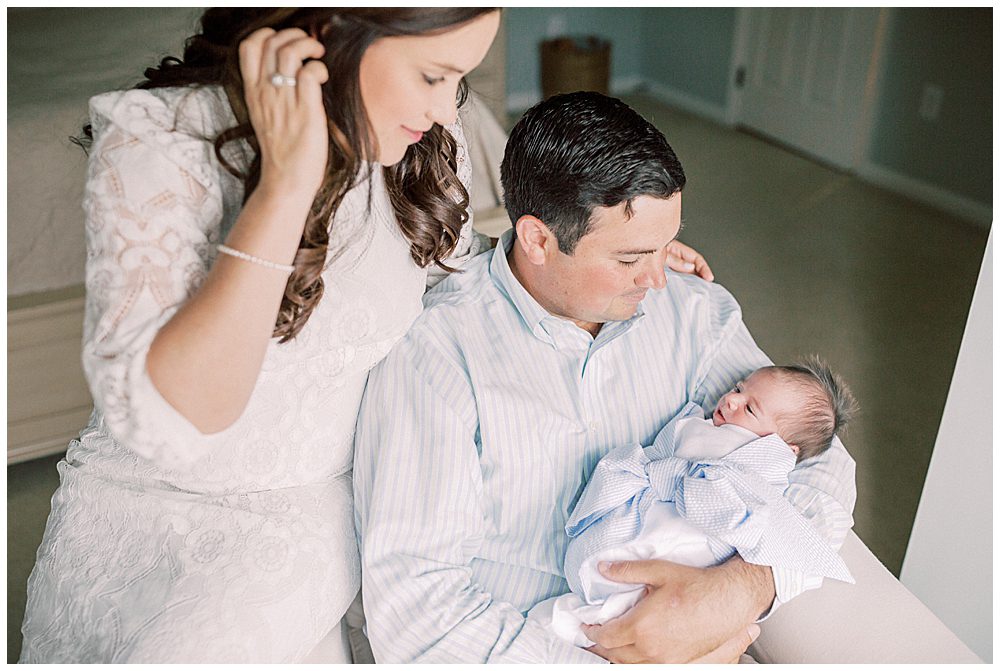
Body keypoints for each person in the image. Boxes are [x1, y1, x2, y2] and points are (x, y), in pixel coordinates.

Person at [18, 8, 504, 663]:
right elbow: (174, 427)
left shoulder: (422, 146)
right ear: (332, 37)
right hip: (158, 532)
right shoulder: (161, 140)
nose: (448, 111)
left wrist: (593, 254)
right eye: (432, 75)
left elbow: (458, 278)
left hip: (325, 524)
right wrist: (284, 187)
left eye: (460, 80)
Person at [353, 92, 857, 663]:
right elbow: (417, 612)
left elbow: (820, 456)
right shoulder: (438, 356)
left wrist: (738, 592)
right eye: (631, 257)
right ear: (538, 239)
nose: (660, 277)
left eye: (666, 245)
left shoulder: (696, 314)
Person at [529, 359, 859, 648]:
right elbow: (661, 455)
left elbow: (752, 515)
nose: (731, 400)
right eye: (738, 389)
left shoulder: (758, 462)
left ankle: (572, 628)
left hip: (688, 546)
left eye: (750, 408)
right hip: (651, 511)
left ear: (783, 448)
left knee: (626, 607)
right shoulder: (698, 424)